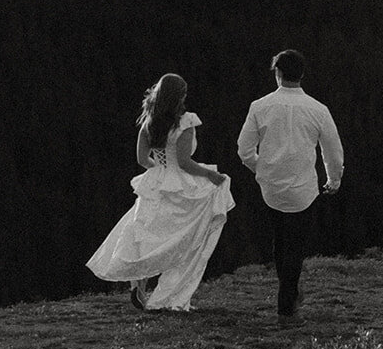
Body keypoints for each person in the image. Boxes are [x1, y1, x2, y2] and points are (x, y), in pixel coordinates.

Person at [87, 73, 234, 312]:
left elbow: (141, 159)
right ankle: (170, 293)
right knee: (184, 237)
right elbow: (185, 163)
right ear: (180, 96)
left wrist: (160, 172)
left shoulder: (149, 123)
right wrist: (210, 175)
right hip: (180, 181)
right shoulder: (185, 122)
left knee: (148, 230)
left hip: (157, 179)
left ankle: (139, 280)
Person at [237, 49, 344, 321]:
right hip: (303, 189)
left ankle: (289, 293)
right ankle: (287, 303)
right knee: (294, 245)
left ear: (278, 73)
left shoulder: (259, 107)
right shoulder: (318, 110)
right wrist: (334, 179)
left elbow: (244, 150)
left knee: (280, 240)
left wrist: (261, 169)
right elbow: (332, 150)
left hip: (270, 187)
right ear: (302, 75)